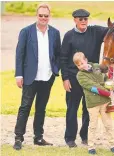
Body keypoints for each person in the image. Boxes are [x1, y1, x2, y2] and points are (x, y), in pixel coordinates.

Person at [13, 3, 61, 150]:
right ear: (36, 15)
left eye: (46, 16)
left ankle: (38, 137)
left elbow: (58, 54)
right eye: (40, 15)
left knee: (41, 108)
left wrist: (55, 70)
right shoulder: (26, 31)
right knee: (25, 107)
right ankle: (18, 138)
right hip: (29, 77)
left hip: (47, 77)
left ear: (49, 16)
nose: (43, 18)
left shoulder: (54, 32)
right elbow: (19, 54)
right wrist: (18, 75)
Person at [60, 9, 108, 148]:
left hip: (90, 78)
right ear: (74, 20)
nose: (83, 21)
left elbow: (112, 30)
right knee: (72, 108)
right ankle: (70, 138)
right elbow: (63, 58)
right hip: (73, 78)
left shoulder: (95, 32)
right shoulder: (69, 36)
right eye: (80, 19)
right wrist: (65, 79)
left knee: (89, 109)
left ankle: (85, 136)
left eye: (85, 19)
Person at [73, 52, 114, 155]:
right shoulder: (80, 76)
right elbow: (93, 87)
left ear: (86, 60)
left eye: (82, 63)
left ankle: (113, 144)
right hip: (93, 103)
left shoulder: (97, 66)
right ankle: (91, 147)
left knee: (108, 124)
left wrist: (110, 84)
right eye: (78, 65)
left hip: (105, 102)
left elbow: (105, 78)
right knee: (93, 125)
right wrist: (108, 93)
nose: (81, 66)